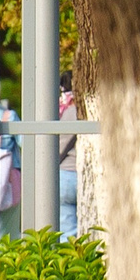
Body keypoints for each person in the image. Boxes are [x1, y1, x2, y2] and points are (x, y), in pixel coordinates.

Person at [56, 73, 82, 238]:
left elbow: (61, 145)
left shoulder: (72, 111)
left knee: (68, 233)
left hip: (66, 174)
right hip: (81, 174)